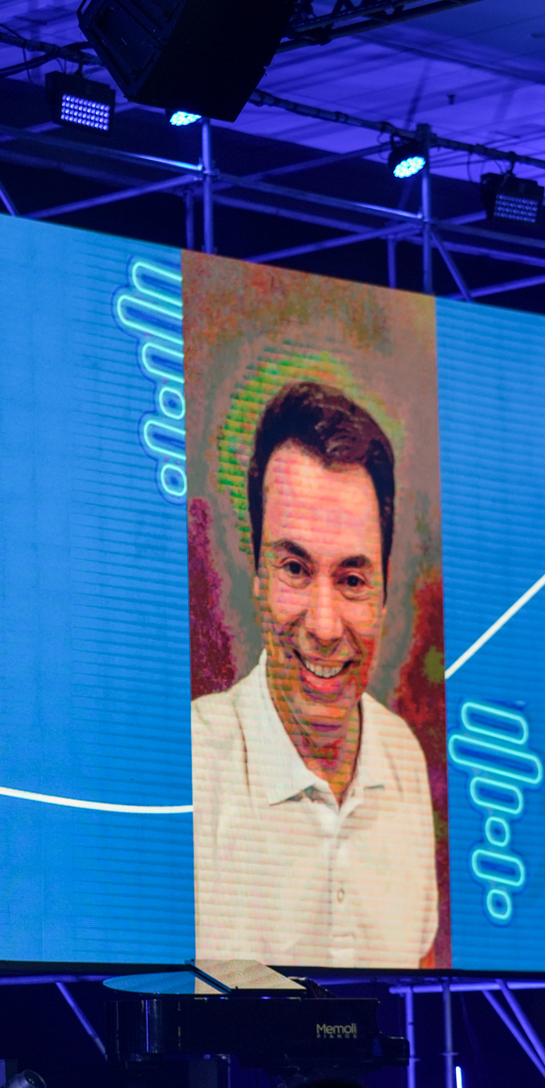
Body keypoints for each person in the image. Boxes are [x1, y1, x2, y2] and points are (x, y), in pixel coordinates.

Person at [192, 380, 438, 968]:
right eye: (296, 569)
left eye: (352, 579)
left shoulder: (404, 758)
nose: (325, 627)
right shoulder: (193, 765)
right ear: (258, 578)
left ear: (383, 594)